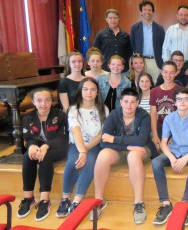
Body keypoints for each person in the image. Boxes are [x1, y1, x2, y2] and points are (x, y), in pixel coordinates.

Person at [92, 88, 152, 224]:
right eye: (126, 101)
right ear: (120, 102)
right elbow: (103, 141)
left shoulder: (144, 116)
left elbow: (141, 141)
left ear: (138, 103)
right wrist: (127, 146)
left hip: (141, 150)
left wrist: (114, 139)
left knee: (133, 156)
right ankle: (98, 200)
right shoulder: (114, 114)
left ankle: (138, 203)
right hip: (121, 150)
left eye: (132, 102)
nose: (129, 105)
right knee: (103, 155)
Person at [56, 78, 109, 218]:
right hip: (77, 144)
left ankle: (76, 201)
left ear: (97, 92)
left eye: (93, 89)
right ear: (80, 91)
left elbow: (101, 133)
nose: (89, 93)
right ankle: (65, 198)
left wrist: (87, 149)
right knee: (73, 161)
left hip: (95, 145)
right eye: (85, 89)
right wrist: (82, 150)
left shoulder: (103, 108)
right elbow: (75, 131)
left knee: (90, 162)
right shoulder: (74, 109)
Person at [152, 87, 188, 226]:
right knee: (156, 163)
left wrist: (184, 159)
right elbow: (163, 143)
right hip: (174, 150)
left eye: (186, 99)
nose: (182, 102)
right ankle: (166, 203)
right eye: (179, 99)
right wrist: (172, 159)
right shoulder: (169, 118)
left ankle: (185, 203)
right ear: (175, 102)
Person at [17, 88, 68, 221]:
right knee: (27, 156)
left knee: (46, 156)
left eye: (47, 100)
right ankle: (28, 198)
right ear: (33, 102)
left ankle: (44, 200)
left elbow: (62, 138)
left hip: (58, 148)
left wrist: (46, 146)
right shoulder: (28, 117)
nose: (43, 104)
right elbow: (28, 137)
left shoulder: (61, 116)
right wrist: (32, 145)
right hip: (38, 147)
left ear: (52, 101)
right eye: (39, 101)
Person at [130, 0, 165, 83]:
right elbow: (132, 45)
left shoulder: (159, 28)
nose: (147, 12)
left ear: (153, 12)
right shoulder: (135, 28)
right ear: (141, 12)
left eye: (149, 10)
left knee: (156, 84)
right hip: (140, 63)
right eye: (145, 10)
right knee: (140, 84)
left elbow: (163, 46)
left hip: (155, 62)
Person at [150, 61, 181, 156]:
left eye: (171, 72)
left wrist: (175, 136)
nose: (168, 75)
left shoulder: (180, 90)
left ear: (176, 73)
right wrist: (155, 135)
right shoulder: (154, 91)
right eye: (165, 72)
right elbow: (153, 114)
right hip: (160, 127)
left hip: (176, 128)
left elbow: (182, 115)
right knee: (156, 148)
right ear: (162, 72)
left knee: (172, 149)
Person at [162, 5, 188, 75]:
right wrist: (168, 66)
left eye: (186, 15)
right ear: (177, 16)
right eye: (181, 15)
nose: (183, 17)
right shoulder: (171, 29)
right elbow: (165, 49)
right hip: (173, 66)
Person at [93, 9, 132, 73]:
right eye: (110, 18)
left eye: (115, 18)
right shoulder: (101, 34)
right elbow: (95, 52)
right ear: (106, 19)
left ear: (119, 19)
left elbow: (130, 53)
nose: (113, 20)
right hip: (105, 70)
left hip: (123, 70)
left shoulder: (125, 35)